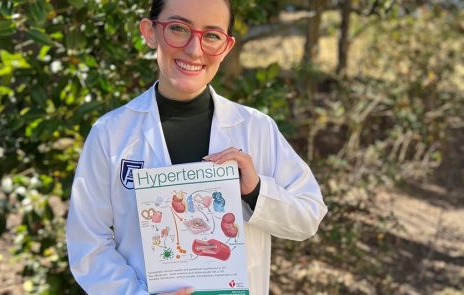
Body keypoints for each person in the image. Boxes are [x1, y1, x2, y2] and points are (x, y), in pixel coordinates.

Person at [66, 0, 328, 294]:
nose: (194, 49)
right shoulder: (111, 134)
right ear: (149, 31)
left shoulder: (256, 129)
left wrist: (256, 191)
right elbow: (88, 244)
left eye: (212, 35)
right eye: (178, 28)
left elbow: (309, 217)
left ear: (227, 47)